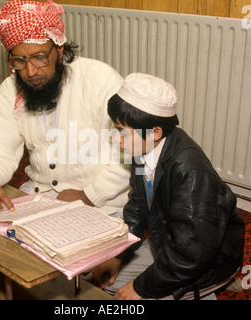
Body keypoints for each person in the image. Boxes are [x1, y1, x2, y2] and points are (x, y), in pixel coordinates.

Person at [92, 73, 245, 300]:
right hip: (171, 242)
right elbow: (136, 206)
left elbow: (192, 253)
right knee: (110, 285)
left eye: (122, 131)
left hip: (207, 261)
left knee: (133, 297)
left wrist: (142, 287)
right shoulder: (142, 148)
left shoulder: (190, 173)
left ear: (155, 132)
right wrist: (119, 254)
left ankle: (216, 285)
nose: (117, 139)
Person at [0, 0, 130, 216]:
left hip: (107, 201)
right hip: (41, 194)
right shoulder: (10, 91)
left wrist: (90, 195)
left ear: (60, 49)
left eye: (39, 57)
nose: (30, 71)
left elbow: (133, 152)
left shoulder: (100, 80)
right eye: (19, 61)